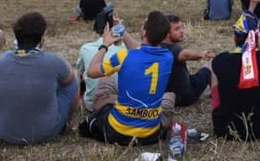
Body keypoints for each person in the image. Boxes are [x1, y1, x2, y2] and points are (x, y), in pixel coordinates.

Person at [80, 11, 174, 146]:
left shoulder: (124, 56)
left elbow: (91, 71)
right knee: (167, 97)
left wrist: (104, 45)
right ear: (165, 36)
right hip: (151, 133)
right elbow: (141, 48)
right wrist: (123, 33)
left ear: (144, 33)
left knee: (102, 105)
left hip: (119, 131)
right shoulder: (168, 57)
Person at [0, 12, 79, 145]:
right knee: (74, 80)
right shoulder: (53, 61)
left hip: (4, 132)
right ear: (41, 38)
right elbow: (68, 80)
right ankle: (66, 123)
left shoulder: (2, 61)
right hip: (43, 133)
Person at [210, 12, 260, 141]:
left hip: (224, 128)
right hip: (258, 128)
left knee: (211, 67)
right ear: (256, 36)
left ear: (235, 37)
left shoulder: (220, 60)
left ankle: (219, 109)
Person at [75, 17, 126, 114]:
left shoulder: (86, 48)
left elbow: (83, 73)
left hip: (92, 105)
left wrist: (105, 46)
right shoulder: (126, 50)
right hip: (120, 105)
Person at [162, 14, 213, 110]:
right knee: (210, 65)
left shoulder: (156, 47)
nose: (182, 31)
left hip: (166, 95)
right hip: (185, 96)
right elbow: (184, 54)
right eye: (177, 29)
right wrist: (201, 54)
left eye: (182, 27)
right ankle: (216, 95)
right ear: (166, 33)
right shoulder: (173, 49)